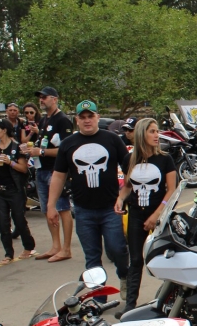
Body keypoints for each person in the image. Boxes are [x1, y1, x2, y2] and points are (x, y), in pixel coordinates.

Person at [48, 100, 130, 298]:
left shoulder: (112, 140)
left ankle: (126, 279)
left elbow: (130, 171)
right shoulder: (68, 144)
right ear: (77, 120)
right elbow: (58, 176)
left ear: (97, 117)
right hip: (83, 210)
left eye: (90, 116)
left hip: (110, 208)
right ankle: (98, 298)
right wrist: (51, 205)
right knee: (92, 258)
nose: (87, 121)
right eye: (82, 117)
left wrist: (122, 196)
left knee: (117, 249)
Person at [116, 118, 177, 312]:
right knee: (135, 260)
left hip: (159, 216)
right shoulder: (129, 159)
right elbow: (128, 186)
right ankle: (129, 306)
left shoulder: (165, 159)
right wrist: (120, 199)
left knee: (166, 259)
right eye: (152, 131)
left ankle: (171, 302)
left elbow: (171, 190)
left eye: (157, 131)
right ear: (142, 134)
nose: (156, 135)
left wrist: (156, 215)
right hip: (136, 214)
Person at [31, 86, 73, 262]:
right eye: (40, 97)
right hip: (41, 170)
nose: (41, 100)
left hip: (56, 171)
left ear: (55, 99)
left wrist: (40, 152)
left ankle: (66, 248)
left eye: (45, 97)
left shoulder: (63, 121)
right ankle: (55, 245)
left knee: (62, 208)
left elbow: (65, 150)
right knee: (48, 209)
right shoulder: (43, 121)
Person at [0, 118, 35, 264]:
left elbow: (23, 169)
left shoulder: (17, 147)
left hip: (14, 189)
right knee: (2, 223)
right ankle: (8, 253)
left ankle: (29, 246)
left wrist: (10, 162)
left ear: (4, 130)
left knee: (19, 220)